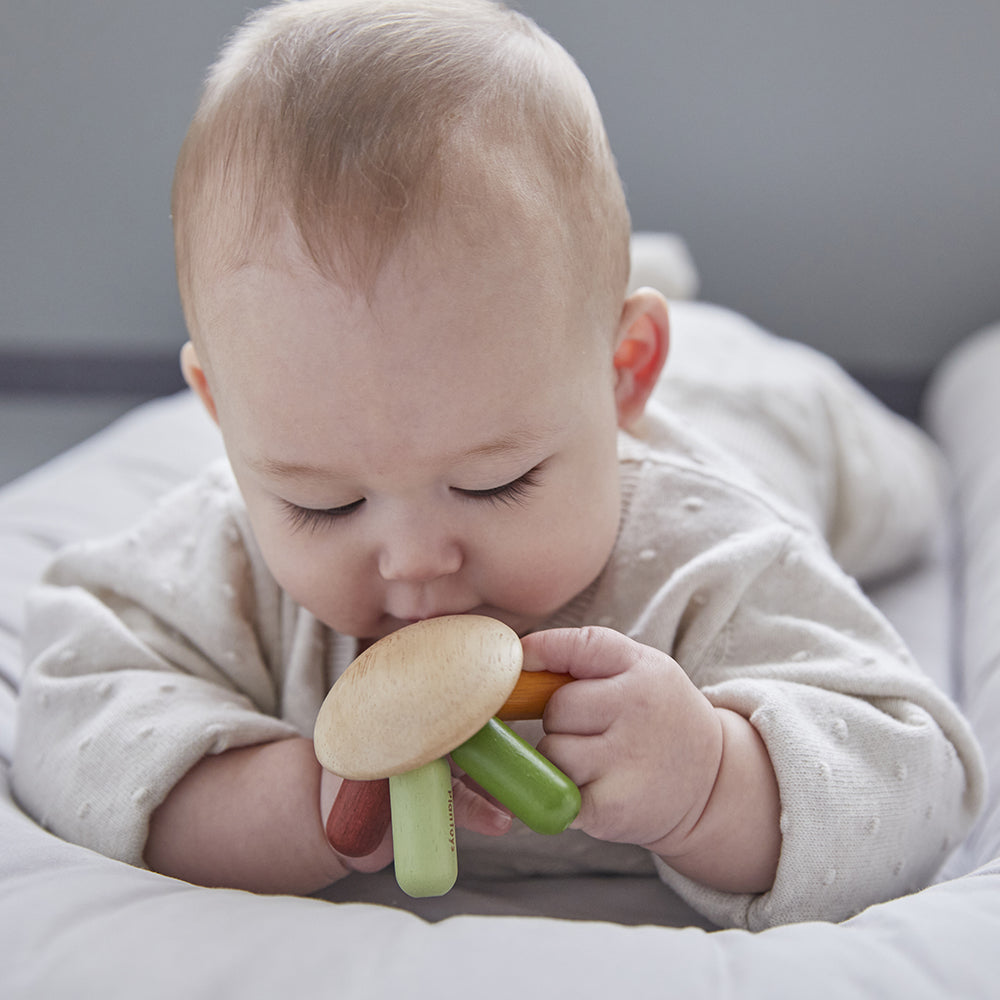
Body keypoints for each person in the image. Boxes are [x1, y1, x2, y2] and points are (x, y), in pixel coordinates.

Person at [12, 0, 984, 930]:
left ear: (624, 372)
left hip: (744, 412)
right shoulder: (227, 555)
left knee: (889, 482)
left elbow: (914, 777)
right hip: (550, 379)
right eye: (325, 500)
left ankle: (689, 330)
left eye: (492, 483)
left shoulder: (707, 559)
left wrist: (713, 777)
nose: (412, 561)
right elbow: (73, 710)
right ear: (219, 411)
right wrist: (285, 804)